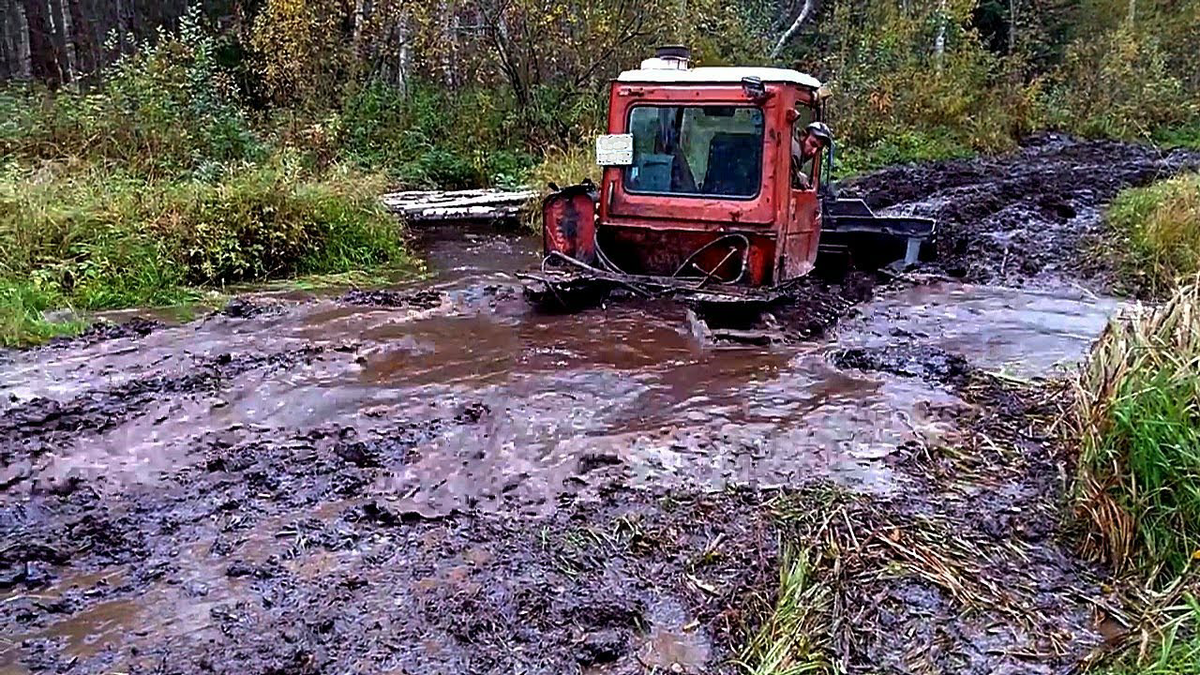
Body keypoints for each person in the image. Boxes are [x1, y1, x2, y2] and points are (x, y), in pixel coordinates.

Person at [792, 121, 833, 190]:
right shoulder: (794, 150)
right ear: (803, 136)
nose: (813, 151)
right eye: (812, 144)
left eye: (818, 149)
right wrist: (799, 178)